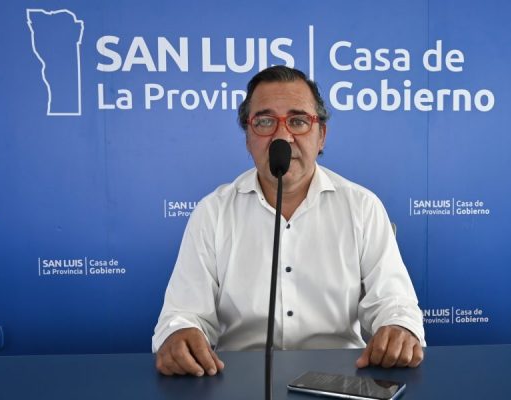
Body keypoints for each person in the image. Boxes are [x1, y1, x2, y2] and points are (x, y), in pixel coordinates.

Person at [153, 66, 425, 377]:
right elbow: (182, 314)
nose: (282, 137)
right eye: (265, 122)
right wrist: (179, 334)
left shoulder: (362, 207)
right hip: (238, 379)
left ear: (321, 136)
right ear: (248, 138)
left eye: (298, 121)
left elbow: (395, 303)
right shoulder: (213, 212)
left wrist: (400, 327)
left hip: (340, 378)